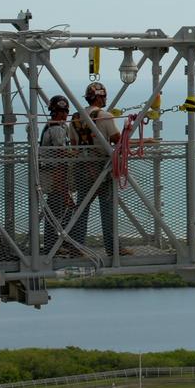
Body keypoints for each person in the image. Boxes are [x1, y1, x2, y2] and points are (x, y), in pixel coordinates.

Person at [71, 81, 125, 257]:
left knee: (81, 208)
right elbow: (118, 140)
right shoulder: (105, 116)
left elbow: (73, 144)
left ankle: (77, 246)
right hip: (102, 167)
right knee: (108, 208)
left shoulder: (75, 118)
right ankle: (112, 248)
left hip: (82, 167)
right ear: (100, 97)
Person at [39, 95, 78, 255]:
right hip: (55, 175)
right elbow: (60, 154)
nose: (64, 114)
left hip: (53, 175)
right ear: (55, 112)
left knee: (58, 211)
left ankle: (56, 244)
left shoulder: (53, 127)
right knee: (59, 211)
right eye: (62, 111)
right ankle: (53, 246)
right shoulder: (57, 129)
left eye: (65, 111)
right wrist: (75, 155)